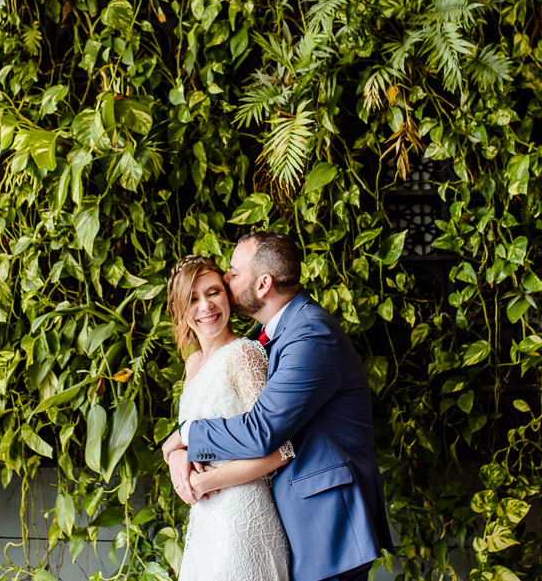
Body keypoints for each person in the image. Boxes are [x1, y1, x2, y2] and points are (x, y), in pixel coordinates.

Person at [163, 231, 394, 581]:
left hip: (324, 522)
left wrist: (186, 437)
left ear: (263, 284)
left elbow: (262, 430)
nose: (226, 279)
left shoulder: (310, 334)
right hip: (275, 519)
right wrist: (178, 452)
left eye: (233, 272)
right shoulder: (273, 335)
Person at [166, 254, 295, 581]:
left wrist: (205, 481)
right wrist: (176, 456)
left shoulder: (244, 353)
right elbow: (196, 434)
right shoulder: (192, 363)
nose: (205, 306)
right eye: (192, 299)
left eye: (213, 292)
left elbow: (280, 450)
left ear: (227, 295)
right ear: (180, 308)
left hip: (244, 516)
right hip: (206, 521)